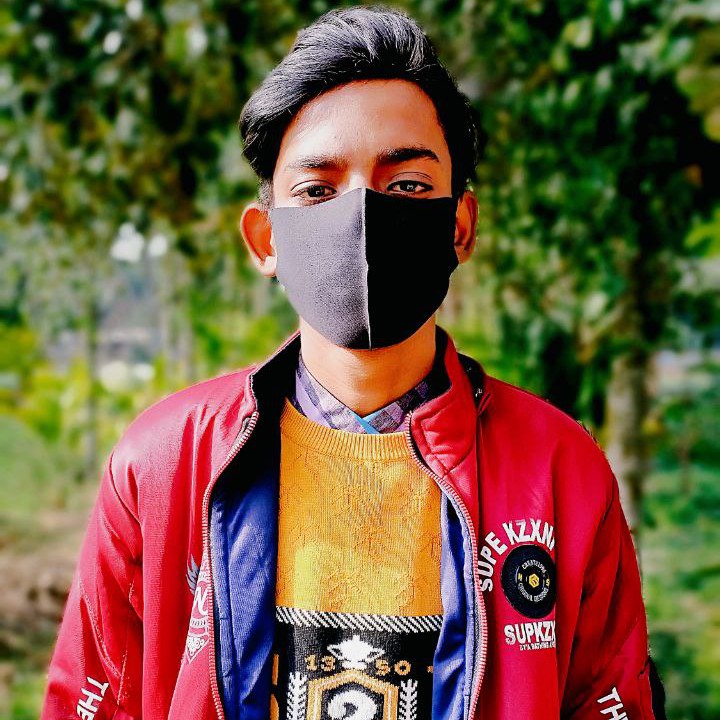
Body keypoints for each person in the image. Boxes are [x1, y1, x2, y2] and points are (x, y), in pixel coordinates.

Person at [41, 5, 666, 720]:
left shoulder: (560, 473)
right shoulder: (161, 469)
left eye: (407, 186)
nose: (363, 216)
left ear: (460, 226)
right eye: (317, 190)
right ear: (265, 240)